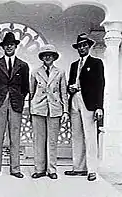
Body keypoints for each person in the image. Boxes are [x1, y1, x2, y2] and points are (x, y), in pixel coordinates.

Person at [64, 33, 105, 181]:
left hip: (89, 102)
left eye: (84, 45)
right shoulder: (74, 65)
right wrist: (71, 88)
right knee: (77, 135)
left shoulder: (96, 63)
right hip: (75, 100)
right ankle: (78, 168)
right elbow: (69, 83)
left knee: (90, 135)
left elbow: (100, 85)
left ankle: (92, 170)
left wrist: (99, 107)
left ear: (89, 46)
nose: (82, 48)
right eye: (80, 46)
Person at [0, 32, 29, 178]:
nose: (9, 47)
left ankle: (15, 169)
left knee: (15, 137)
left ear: (16, 46)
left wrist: (18, 98)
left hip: (16, 104)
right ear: (3, 47)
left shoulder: (23, 65)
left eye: (11, 45)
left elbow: (25, 87)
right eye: (6, 45)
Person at [29, 44, 69, 180]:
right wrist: (31, 109)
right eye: (45, 55)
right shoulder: (35, 72)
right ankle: (39, 169)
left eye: (50, 55)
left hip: (55, 109)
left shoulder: (60, 72)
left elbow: (64, 92)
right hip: (38, 109)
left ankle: (52, 169)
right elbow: (31, 91)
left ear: (54, 57)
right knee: (39, 140)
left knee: (52, 141)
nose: (47, 57)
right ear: (41, 57)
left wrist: (65, 111)